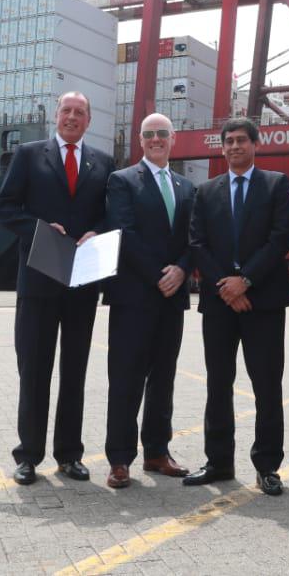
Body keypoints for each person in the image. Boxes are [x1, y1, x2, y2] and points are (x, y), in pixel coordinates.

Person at [0, 91, 115, 485]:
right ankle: (27, 456)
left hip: (82, 282)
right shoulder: (30, 155)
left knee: (74, 372)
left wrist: (99, 230)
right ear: (56, 116)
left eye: (80, 112)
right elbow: (5, 208)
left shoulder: (103, 162)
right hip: (40, 278)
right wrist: (40, 230)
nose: (73, 117)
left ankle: (69, 454)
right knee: (34, 370)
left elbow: (109, 214)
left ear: (89, 120)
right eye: (67, 111)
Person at [186, 117, 289, 496]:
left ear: (255, 144)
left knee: (267, 385)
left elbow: (280, 237)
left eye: (241, 141)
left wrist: (245, 280)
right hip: (219, 303)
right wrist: (226, 286)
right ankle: (218, 462)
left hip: (263, 301)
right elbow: (197, 243)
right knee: (218, 384)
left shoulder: (276, 185)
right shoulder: (206, 191)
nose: (235, 146)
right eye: (228, 141)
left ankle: (267, 466)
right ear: (222, 147)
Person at [102, 112, 196, 488]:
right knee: (125, 378)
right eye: (149, 134)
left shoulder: (187, 188)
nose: (156, 139)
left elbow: (195, 238)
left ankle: (158, 452)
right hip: (135, 296)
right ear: (141, 141)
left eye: (163, 134)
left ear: (173, 139)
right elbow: (123, 231)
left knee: (164, 378)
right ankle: (120, 459)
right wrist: (163, 274)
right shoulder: (122, 181)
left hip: (172, 299)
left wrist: (183, 270)